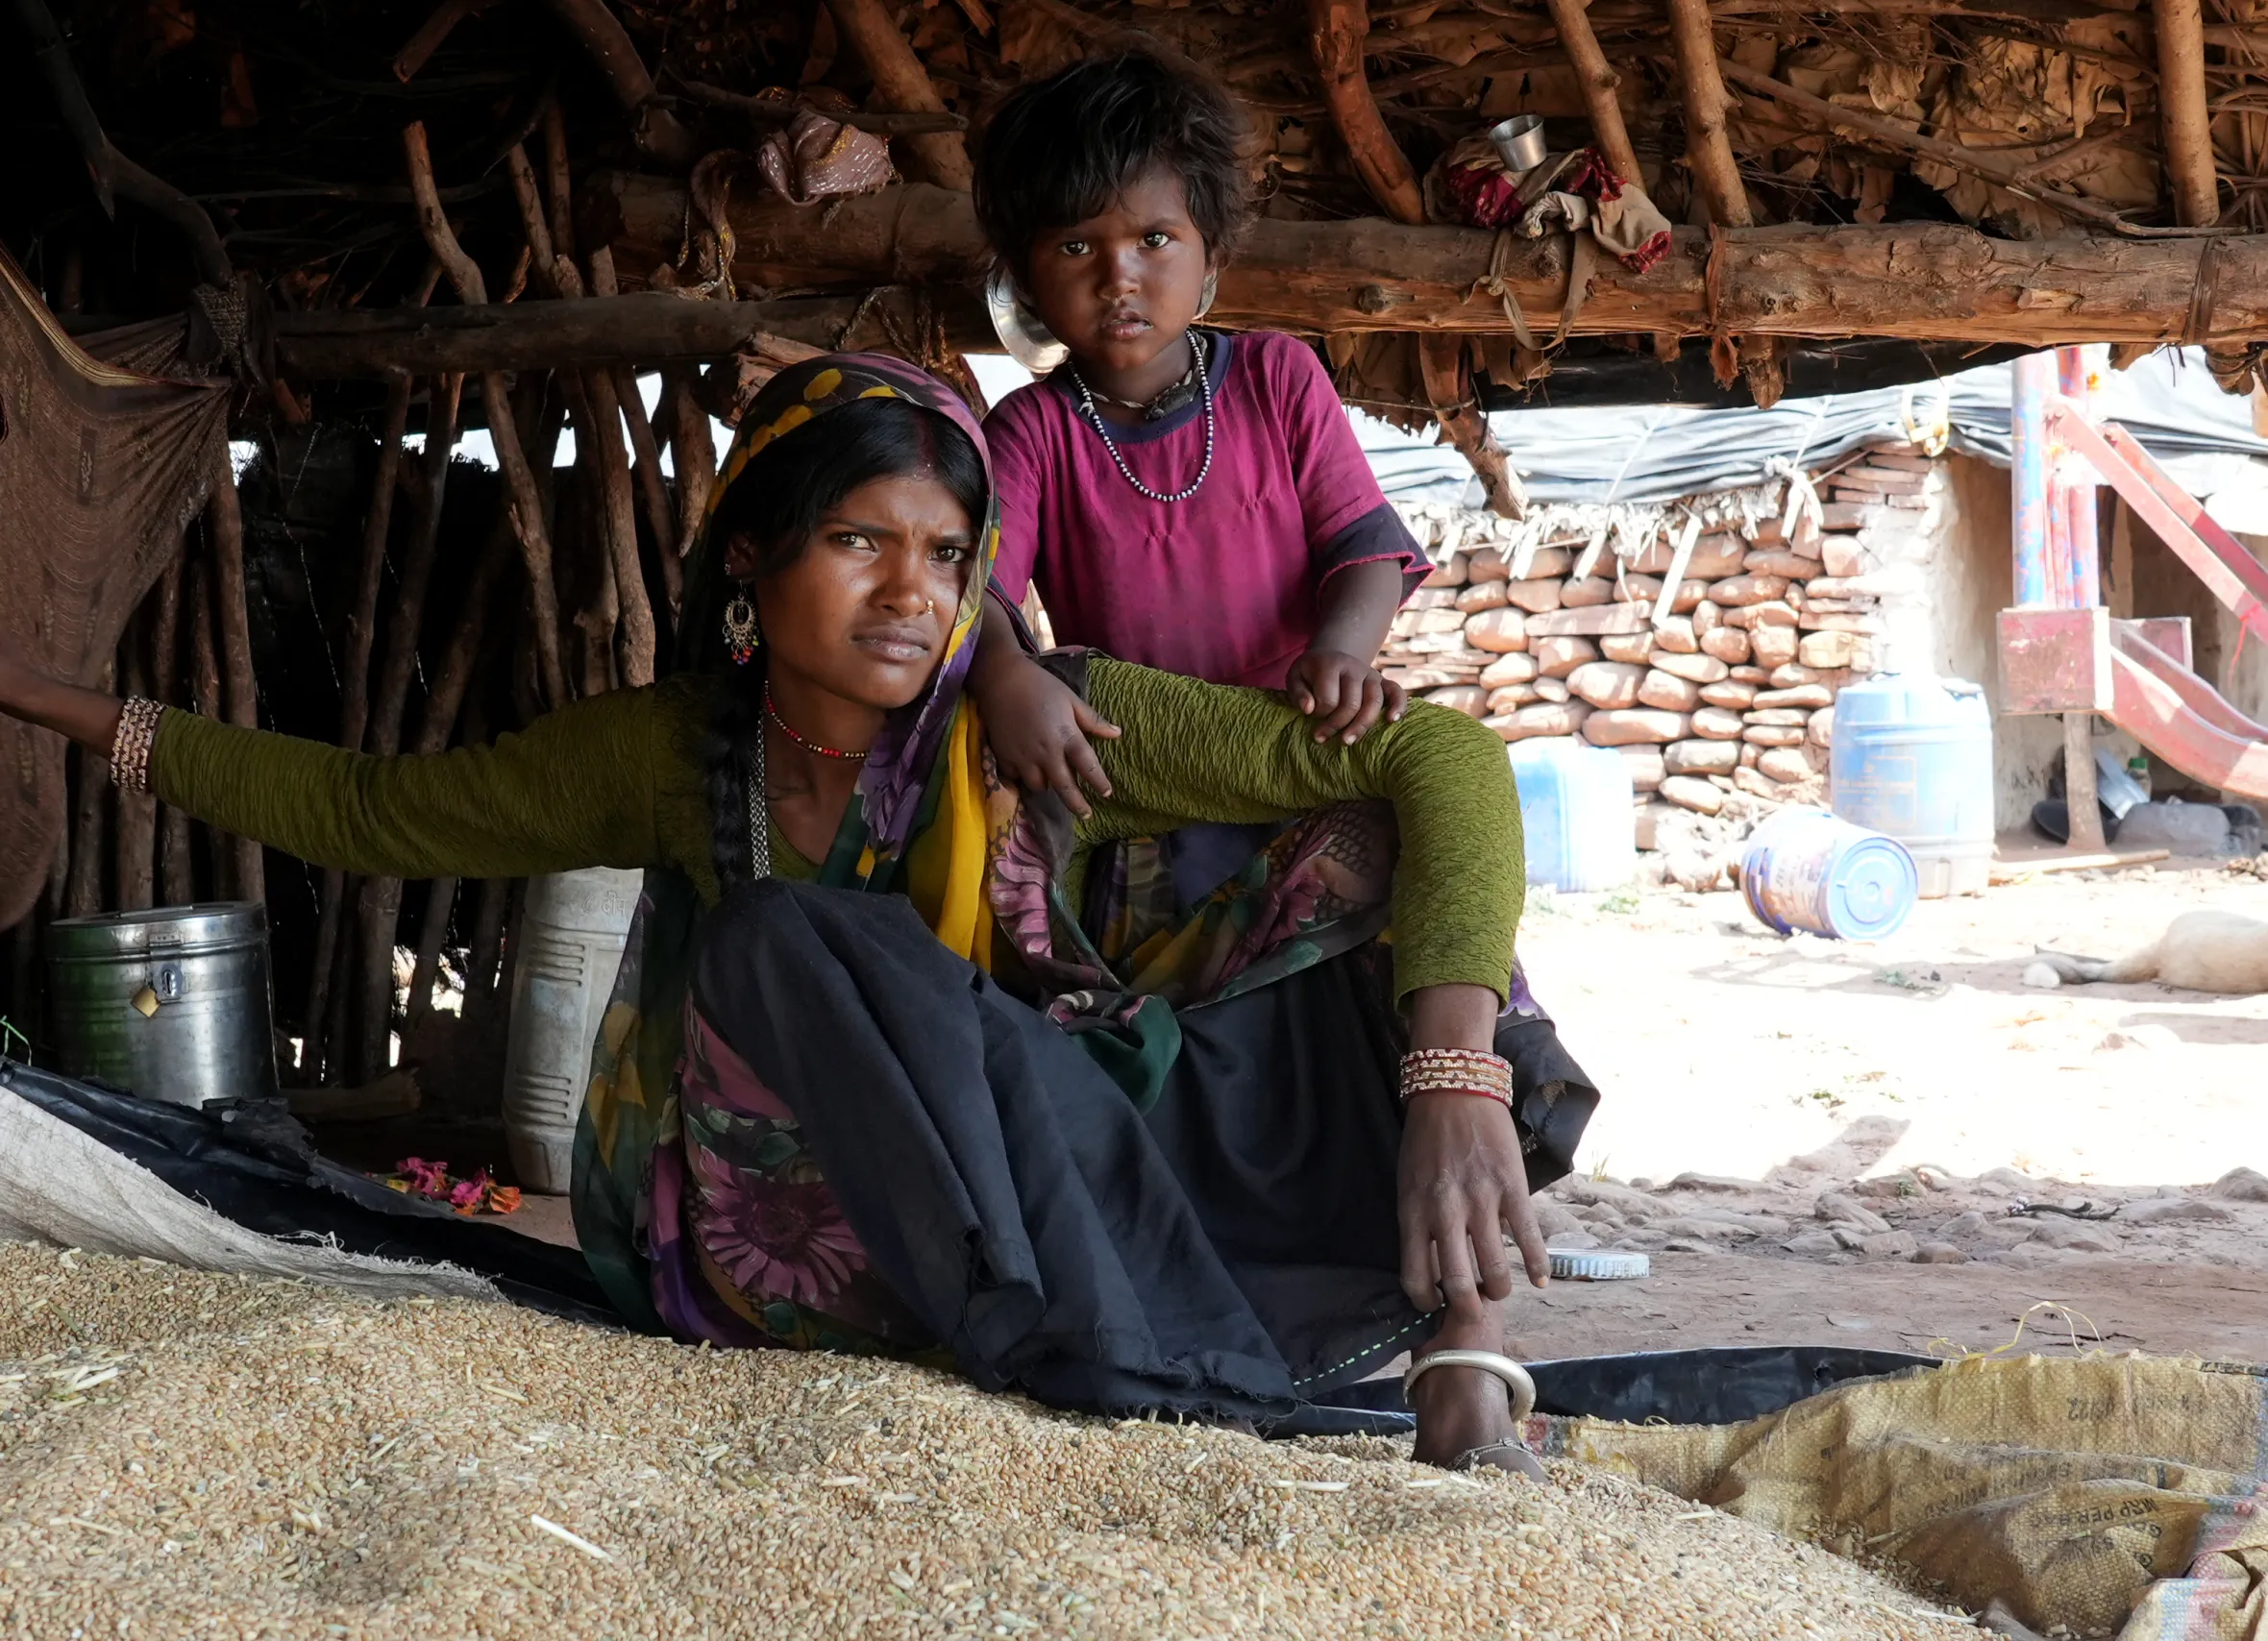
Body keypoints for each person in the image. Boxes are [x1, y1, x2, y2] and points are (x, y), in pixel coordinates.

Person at [0, 355, 1595, 1473]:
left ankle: (1458, 1335)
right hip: (849, 1228)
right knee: (781, 941)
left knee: (1361, 833)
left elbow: (1437, 754)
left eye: (948, 556)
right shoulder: (668, 752)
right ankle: (1116, 1361)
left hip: (1091, 1169)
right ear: (753, 563)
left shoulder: (1042, 721)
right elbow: (368, 811)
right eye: (859, 543)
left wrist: (1453, 1075)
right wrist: (53, 700)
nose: (913, 594)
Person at [965, 52, 1433, 914]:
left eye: (1154, 238)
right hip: (1144, 772)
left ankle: (1472, 1043)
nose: (1119, 277)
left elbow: (1364, 549)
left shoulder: (1277, 377)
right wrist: (1002, 672)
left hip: (1295, 743)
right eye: (1076, 245)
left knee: (1436, 814)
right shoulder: (1031, 432)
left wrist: (1342, 657)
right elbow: (982, 593)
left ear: (1209, 248)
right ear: (1028, 279)